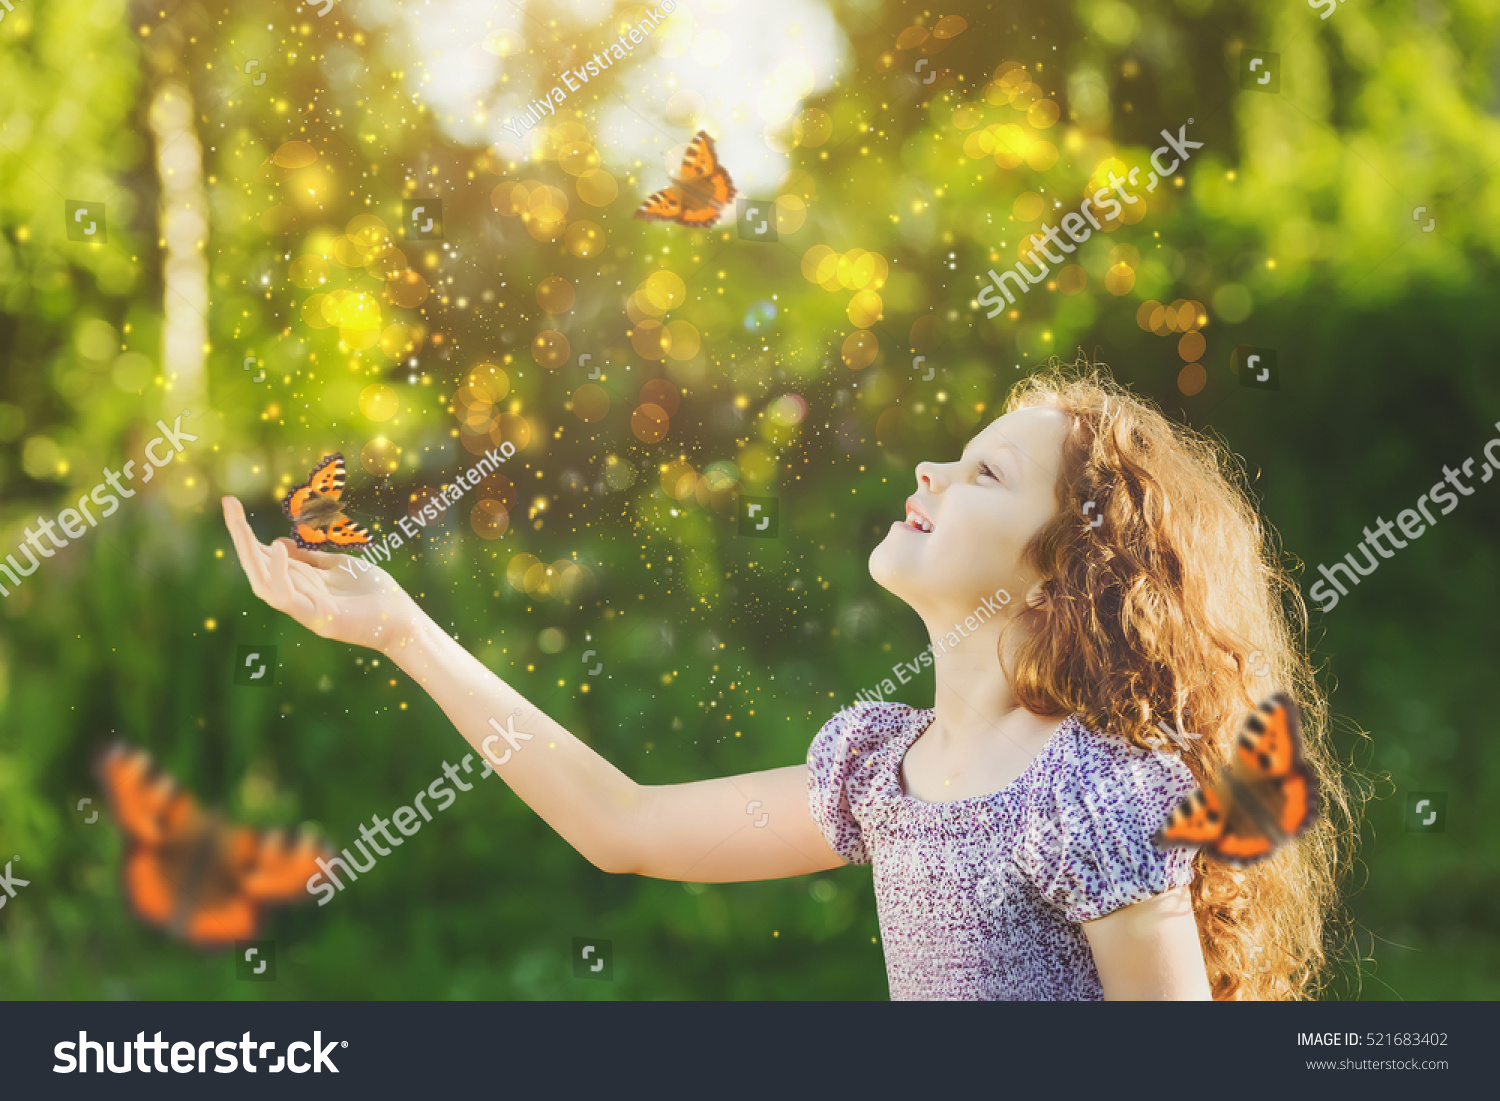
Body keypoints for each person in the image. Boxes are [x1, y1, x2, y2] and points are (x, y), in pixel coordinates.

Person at [221, 363, 1351, 1000]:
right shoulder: (879, 770)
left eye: (985, 472)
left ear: (1064, 575)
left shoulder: (1098, 798)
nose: (931, 470)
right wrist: (407, 632)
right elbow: (623, 826)